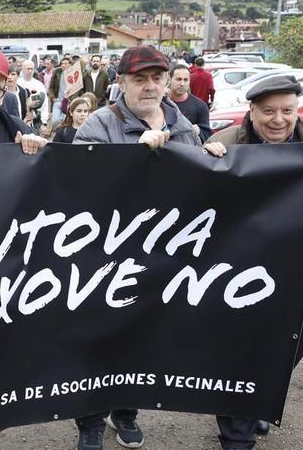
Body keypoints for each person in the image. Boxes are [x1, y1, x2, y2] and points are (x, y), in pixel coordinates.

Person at [203, 75, 303, 449]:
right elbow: (194, 203)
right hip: (236, 278)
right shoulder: (225, 143)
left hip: (298, 278)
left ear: (297, 110)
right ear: (251, 112)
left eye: (287, 110)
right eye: (268, 111)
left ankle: (258, 400)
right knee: (237, 356)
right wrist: (205, 162)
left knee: (285, 355)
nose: (278, 119)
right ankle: (237, 435)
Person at [73, 45, 201, 450]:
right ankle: (90, 422)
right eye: (139, 79)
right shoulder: (97, 125)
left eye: (156, 78)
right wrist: (135, 157)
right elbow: (79, 191)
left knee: (141, 340)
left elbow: (201, 192)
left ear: (166, 81)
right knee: (96, 342)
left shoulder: (186, 128)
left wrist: (215, 157)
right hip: (104, 259)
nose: (149, 87)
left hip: (161, 259)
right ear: (122, 83)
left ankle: (125, 412)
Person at [168, 64, 211, 141]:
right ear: (170, 79)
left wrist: (199, 131)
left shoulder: (200, 106)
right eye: (178, 79)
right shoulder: (161, 103)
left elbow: (207, 134)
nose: (182, 84)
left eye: (185, 80)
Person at [48, 57, 83, 126]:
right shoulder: (57, 73)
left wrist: (71, 101)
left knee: (66, 121)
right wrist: (53, 98)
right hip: (58, 101)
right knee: (55, 121)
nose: (63, 65)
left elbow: (77, 90)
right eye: (62, 63)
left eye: (66, 63)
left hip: (68, 102)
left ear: (70, 65)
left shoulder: (74, 74)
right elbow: (51, 87)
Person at [18, 59, 50, 128]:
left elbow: (45, 104)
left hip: (36, 120)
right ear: (22, 69)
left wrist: (44, 121)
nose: (30, 71)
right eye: (28, 69)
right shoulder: (17, 83)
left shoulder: (39, 85)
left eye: (31, 69)